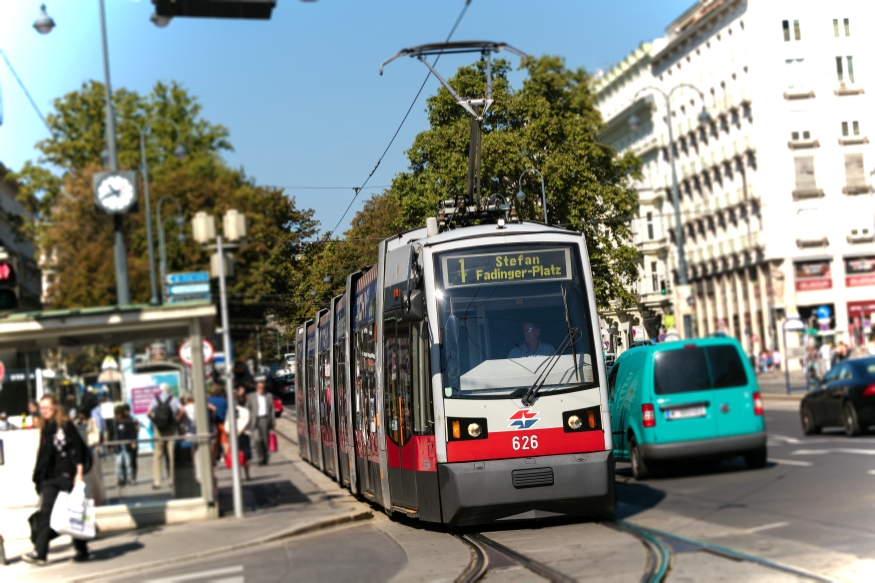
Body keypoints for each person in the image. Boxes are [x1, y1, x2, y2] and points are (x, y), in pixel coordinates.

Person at [24, 395, 90, 565]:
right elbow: (43, 454)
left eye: (46, 407)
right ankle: (40, 553)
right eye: (41, 408)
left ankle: (82, 549)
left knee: (73, 512)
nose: (43, 411)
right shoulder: (46, 428)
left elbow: (79, 450)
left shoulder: (66, 426)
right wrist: (38, 477)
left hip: (67, 475)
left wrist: (79, 473)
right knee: (46, 513)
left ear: (55, 407)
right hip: (50, 478)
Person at [147, 383, 182, 490]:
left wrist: (155, 422)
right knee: (172, 455)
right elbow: (182, 410)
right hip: (172, 429)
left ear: (160, 390)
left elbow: (148, 413)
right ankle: (172, 480)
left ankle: (157, 482)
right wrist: (177, 421)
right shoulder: (174, 399)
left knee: (157, 455)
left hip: (159, 431)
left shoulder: (155, 400)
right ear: (169, 389)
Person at [246, 377, 275, 465]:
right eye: (259, 387)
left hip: (265, 419)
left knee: (265, 440)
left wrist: (273, 422)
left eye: (262, 387)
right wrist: (247, 421)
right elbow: (247, 409)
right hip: (255, 420)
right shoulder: (251, 397)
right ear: (256, 387)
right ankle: (260, 457)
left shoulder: (269, 396)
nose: (261, 389)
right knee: (257, 440)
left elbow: (272, 410)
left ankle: (265, 457)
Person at [106, 405, 137, 486]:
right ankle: (120, 478)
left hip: (126, 445)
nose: (119, 415)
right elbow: (111, 434)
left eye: (120, 413)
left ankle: (130, 478)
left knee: (128, 462)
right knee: (118, 463)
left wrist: (133, 442)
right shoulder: (113, 423)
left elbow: (132, 432)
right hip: (117, 445)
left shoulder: (128, 421)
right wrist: (110, 445)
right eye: (117, 413)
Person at [227, 396, 252, 480]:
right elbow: (247, 421)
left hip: (233, 435)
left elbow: (227, 424)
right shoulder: (246, 410)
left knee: (235, 455)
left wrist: (230, 432)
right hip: (244, 434)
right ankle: (247, 475)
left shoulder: (230, 411)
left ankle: (237, 475)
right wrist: (240, 431)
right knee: (246, 456)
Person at [208, 384, 229, 466]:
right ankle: (226, 459)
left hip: (213, 424)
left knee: (214, 444)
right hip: (223, 423)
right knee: (225, 443)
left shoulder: (208, 400)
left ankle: (213, 461)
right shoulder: (224, 400)